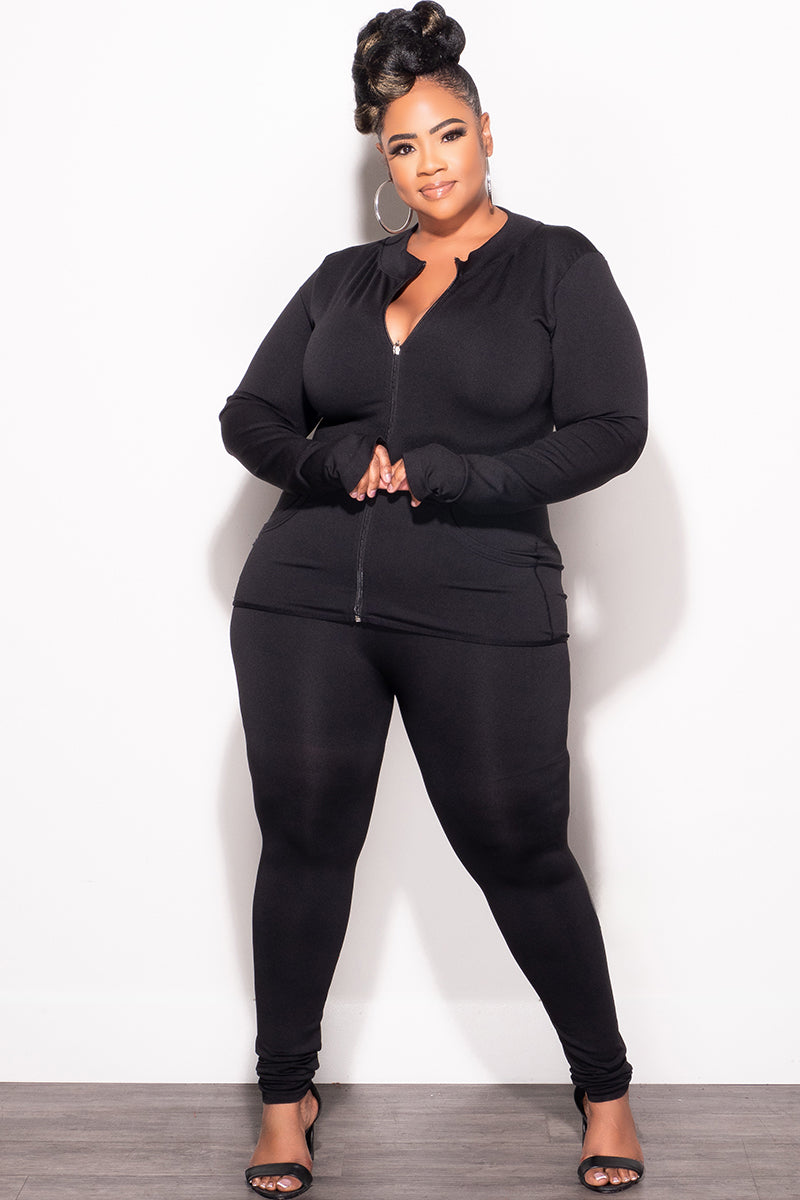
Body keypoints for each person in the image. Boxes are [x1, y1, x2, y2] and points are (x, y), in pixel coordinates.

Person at [219, 3, 648, 1194]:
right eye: (402, 146)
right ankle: (283, 1097)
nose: (428, 164)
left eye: (446, 135)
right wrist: (323, 458)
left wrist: (469, 475)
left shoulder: (557, 266)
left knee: (517, 845)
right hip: (304, 598)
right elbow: (250, 415)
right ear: (384, 160)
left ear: (485, 133)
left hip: (482, 600)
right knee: (304, 842)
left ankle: (604, 1087)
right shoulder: (340, 280)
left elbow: (612, 428)